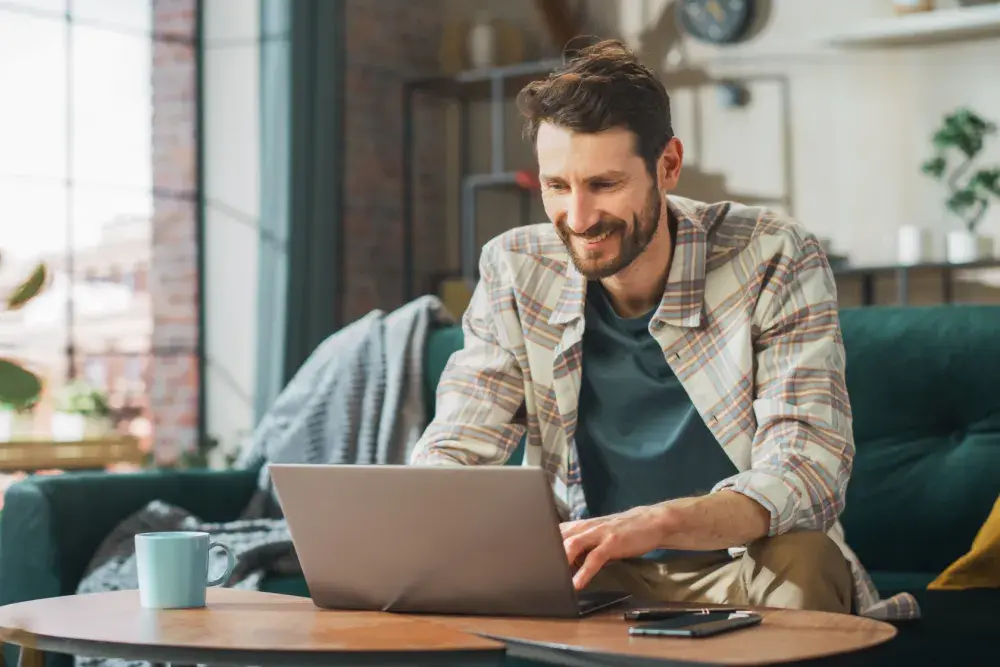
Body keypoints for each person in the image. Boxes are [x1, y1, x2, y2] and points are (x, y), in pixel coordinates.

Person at [409, 39, 917, 621]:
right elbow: (458, 445)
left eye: (604, 184)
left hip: (742, 565)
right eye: (557, 187)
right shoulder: (515, 266)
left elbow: (805, 468)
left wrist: (656, 523)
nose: (577, 219)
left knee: (805, 556)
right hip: (590, 571)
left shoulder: (772, 253)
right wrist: (419, 526)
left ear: (668, 166)